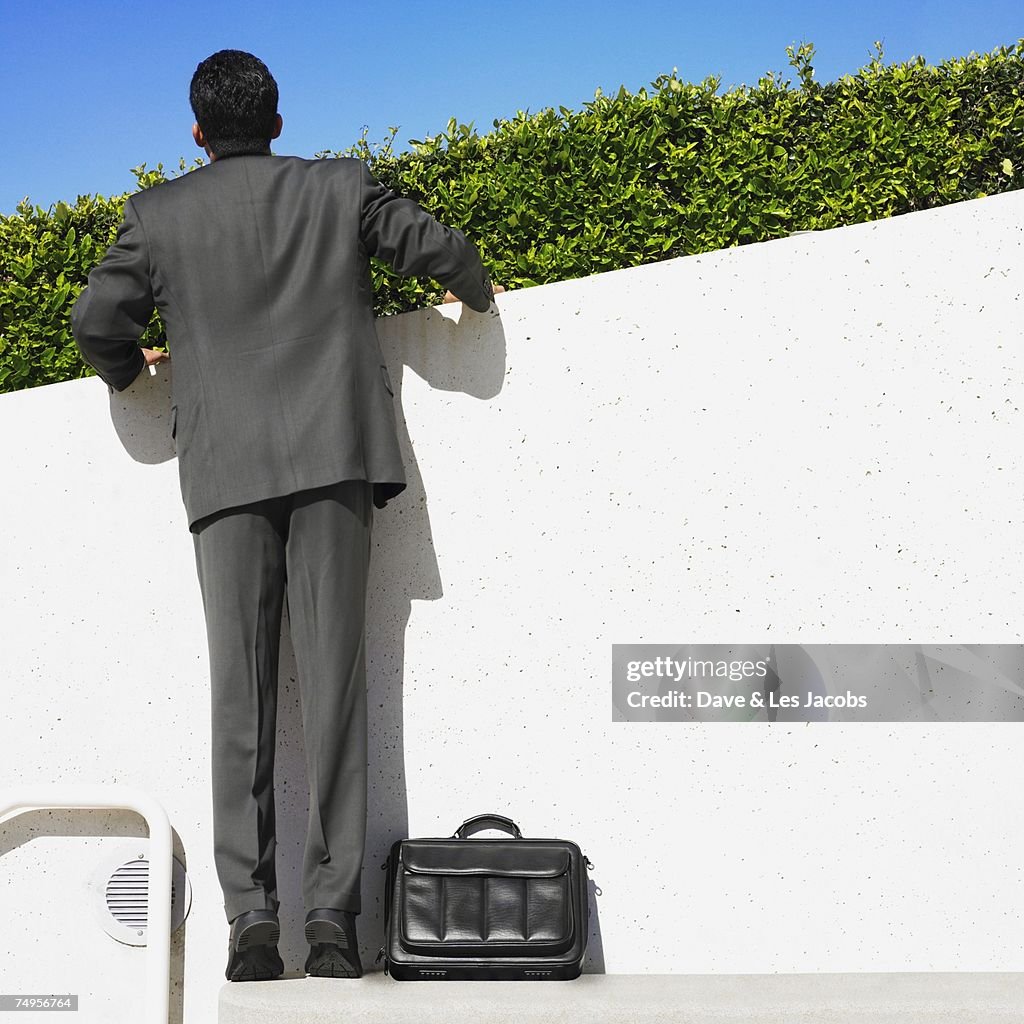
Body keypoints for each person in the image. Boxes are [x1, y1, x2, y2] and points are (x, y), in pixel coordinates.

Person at [70, 49, 503, 982]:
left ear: (197, 131)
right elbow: (442, 248)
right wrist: (470, 294)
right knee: (339, 691)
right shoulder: (339, 188)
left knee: (242, 700)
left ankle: (252, 927)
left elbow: (96, 321)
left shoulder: (158, 218)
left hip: (224, 474)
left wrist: (127, 370)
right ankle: (338, 924)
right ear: (276, 118)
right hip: (335, 461)